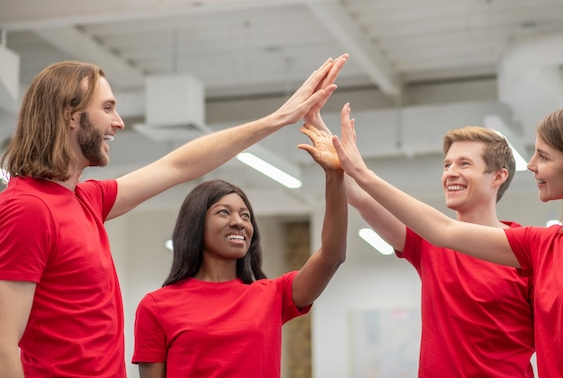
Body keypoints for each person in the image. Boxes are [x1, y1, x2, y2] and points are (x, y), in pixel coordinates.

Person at [0, 54, 348, 378]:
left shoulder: (87, 201)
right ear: (71, 115)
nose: (118, 122)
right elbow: (3, 345)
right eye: (107, 108)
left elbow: (179, 165)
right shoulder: (28, 207)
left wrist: (278, 119)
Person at [331, 102, 563, 377]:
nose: (532, 164)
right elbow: (442, 230)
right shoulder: (542, 245)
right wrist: (340, 155)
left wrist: (363, 173)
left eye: (544, 156)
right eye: (447, 164)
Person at [303, 110, 535, 376]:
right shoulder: (429, 242)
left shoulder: (524, 250)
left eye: (464, 164)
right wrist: (319, 126)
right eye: (447, 165)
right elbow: (359, 197)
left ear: (498, 176)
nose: (451, 173)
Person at [131, 120, 347, 378]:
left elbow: (331, 257)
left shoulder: (272, 296)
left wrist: (335, 177)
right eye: (224, 212)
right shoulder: (156, 306)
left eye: (245, 216)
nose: (238, 222)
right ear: (196, 224)